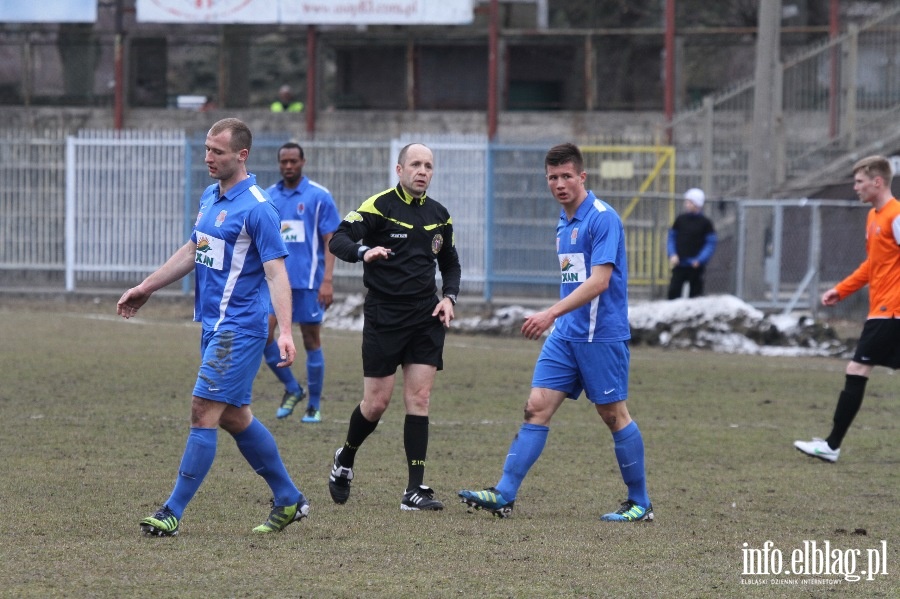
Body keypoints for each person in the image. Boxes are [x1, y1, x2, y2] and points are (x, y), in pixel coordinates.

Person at [117, 118, 309, 536]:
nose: (208, 158)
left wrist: (286, 332)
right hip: (213, 325)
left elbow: (278, 275)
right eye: (206, 149)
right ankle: (290, 498)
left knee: (203, 409)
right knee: (235, 417)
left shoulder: (258, 207)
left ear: (241, 155)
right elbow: (193, 249)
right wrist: (146, 287)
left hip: (240, 328)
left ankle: (172, 511)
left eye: (217, 151)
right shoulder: (211, 196)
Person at [458, 143, 653, 522]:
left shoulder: (602, 218)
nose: (560, 184)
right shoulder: (564, 223)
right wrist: (559, 319)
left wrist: (550, 313)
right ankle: (504, 493)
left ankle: (640, 503)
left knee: (614, 416)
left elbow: (599, 282)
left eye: (567, 176)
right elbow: (574, 280)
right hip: (566, 335)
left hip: (600, 335)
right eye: (553, 177)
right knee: (536, 407)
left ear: (582, 177)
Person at [327, 142, 461, 511]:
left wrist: (449, 298)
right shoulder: (379, 206)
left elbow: (450, 262)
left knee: (419, 398)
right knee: (376, 404)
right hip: (384, 316)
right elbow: (338, 239)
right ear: (399, 169)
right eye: (415, 164)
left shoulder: (440, 215)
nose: (423, 171)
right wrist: (362, 251)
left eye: (429, 165)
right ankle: (345, 458)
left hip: (426, 317)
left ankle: (413, 490)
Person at [794, 155, 900, 463]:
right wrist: (841, 290)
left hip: (890, 312)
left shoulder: (895, 215)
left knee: (857, 368)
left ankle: (831, 445)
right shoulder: (873, 218)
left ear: (877, 182)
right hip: (884, 311)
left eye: (859, 181)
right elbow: (872, 266)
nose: (855, 187)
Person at [262, 142, 341, 423]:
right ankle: (293, 388)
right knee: (263, 335)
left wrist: (327, 280)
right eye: (284, 161)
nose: (288, 166)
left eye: (293, 161)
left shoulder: (319, 196)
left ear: (303, 162)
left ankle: (314, 406)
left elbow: (331, 239)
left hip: (308, 283)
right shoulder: (268, 197)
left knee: (310, 340)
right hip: (274, 283)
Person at [666, 187, 717, 299]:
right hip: (680, 263)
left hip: (696, 266)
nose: (687, 204)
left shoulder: (706, 223)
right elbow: (671, 238)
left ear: (697, 204)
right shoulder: (680, 220)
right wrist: (672, 254)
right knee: (673, 292)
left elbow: (710, 244)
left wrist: (700, 259)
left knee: (695, 296)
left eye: (690, 202)